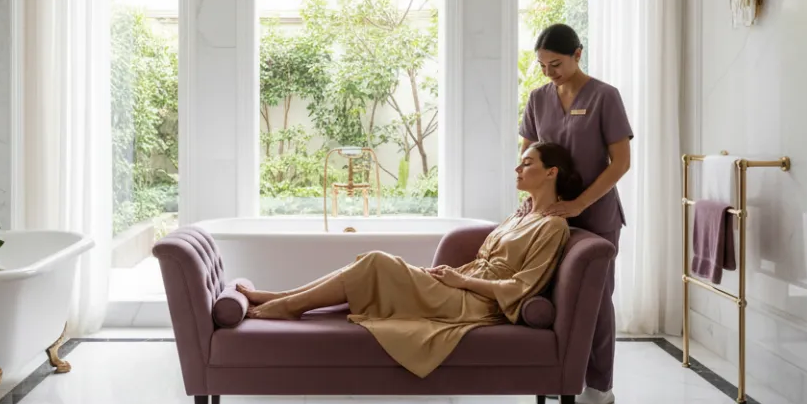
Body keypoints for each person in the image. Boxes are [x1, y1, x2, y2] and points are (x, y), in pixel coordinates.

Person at [238, 143, 582, 378]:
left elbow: (522, 286)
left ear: (552, 172)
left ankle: (288, 305)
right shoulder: (520, 215)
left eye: (527, 163)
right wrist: (454, 276)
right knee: (369, 263)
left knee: (376, 262)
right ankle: (281, 298)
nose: (518, 168)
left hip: (473, 303)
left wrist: (462, 282)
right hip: (458, 284)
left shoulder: (553, 227)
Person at [519, 23, 631, 404]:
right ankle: (562, 374)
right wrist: (531, 204)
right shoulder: (537, 99)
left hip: (595, 213)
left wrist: (580, 204)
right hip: (550, 214)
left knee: (596, 298)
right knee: (551, 293)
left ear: (578, 54)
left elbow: (621, 163)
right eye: (543, 65)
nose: (549, 72)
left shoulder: (604, 97)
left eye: (556, 63)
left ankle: (599, 385)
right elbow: (528, 155)